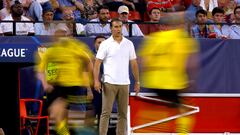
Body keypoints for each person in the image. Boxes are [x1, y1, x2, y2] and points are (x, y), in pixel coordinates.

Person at [138, 12, 199, 134]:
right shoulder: (182, 38)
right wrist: (191, 79)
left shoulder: (154, 38)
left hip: (153, 80)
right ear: (177, 25)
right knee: (186, 110)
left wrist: (145, 77)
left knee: (158, 108)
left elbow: (142, 61)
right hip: (172, 82)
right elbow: (192, 63)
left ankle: (144, 129)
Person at [36, 24, 94, 135]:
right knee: (56, 114)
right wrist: (45, 84)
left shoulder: (77, 48)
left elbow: (88, 63)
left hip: (76, 87)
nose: (61, 35)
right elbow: (40, 71)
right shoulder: (51, 51)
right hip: (60, 86)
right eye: (59, 33)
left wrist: (90, 83)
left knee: (76, 119)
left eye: (63, 33)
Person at [93, 18, 140, 135]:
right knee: (106, 113)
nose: (118, 29)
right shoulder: (105, 44)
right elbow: (97, 63)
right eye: (116, 27)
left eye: (120, 26)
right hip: (109, 82)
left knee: (123, 114)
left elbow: (134, 63)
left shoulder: (129, 44)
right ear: (111, 28)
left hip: (125, 83)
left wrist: (137, 82)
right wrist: (96, 81)